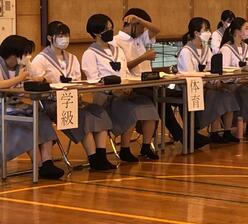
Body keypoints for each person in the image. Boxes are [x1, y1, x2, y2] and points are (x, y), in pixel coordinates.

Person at [31, 21, 116, 171]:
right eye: (60, 36)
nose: (65, 39)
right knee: (83, 116)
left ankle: (101, 155)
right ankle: (93, 158)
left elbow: (78, 81)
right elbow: (36, 85)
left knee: (99, 112)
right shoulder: (40, 59)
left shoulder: (72, 58)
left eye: (66, 35)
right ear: (50, 38)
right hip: (52, 103)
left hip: (74, 99)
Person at [81, 14, 160, 161]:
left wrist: (128, 85)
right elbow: (93, 81)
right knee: (132, 109)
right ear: (96, 33)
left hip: (125, 92)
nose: (110, 31)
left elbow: (125, 73)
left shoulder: (118, 50)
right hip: (106, 96)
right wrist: (114, 89)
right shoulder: (90, 54)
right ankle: (125, 148)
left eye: (111, 28)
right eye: (106, 29)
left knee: (148, 106)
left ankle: (146, 146)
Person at [0, 35, 64, 179]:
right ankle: (38, 165)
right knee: (26, 123)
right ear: (14, 53)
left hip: (17, 105)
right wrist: (19, 79)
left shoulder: (23, 65)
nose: (28, 56)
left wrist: (39, 79)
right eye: (26, 53)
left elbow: (36, 77)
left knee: (41, 116)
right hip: (3, 107)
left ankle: (47, 162)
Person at [177, 17, 240, 144]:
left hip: (208, 86)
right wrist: (208, 84)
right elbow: (190, 75)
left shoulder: (207, 49)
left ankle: (227, 131)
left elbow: (212, 69)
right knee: (216, 97)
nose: (209, 32)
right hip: (192, 89)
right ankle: (214, 132)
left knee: (227, 94)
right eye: (206, 30)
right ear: (196, 33)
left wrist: (215, 81)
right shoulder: (186, 51)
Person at [114, 8, 159, 77]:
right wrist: (144, 57)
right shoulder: (115, 41)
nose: (143, 31)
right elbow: (121, 68)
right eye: (142, 27)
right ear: (133, 24)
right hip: (132, 82)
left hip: (148, 80)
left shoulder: (140, 38)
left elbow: (156, 30)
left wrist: (139, 20)